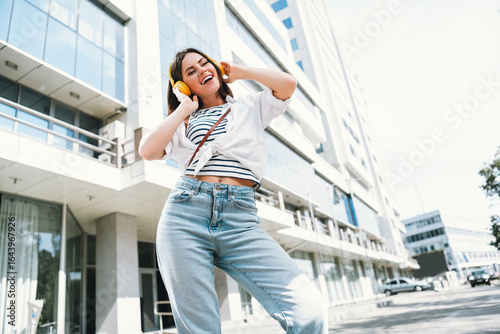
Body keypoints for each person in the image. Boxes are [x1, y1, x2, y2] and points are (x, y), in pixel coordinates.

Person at [139, 48, 328, 334]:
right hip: (184, 214)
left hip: (239, 218)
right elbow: (148, 151)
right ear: (182, 85)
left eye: (204, 64)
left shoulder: (250, 106)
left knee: (308, 310)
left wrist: (240, 72)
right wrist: (183, 109)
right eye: (191, 71)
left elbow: (288, 84)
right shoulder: (183, 122)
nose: (201, 70)